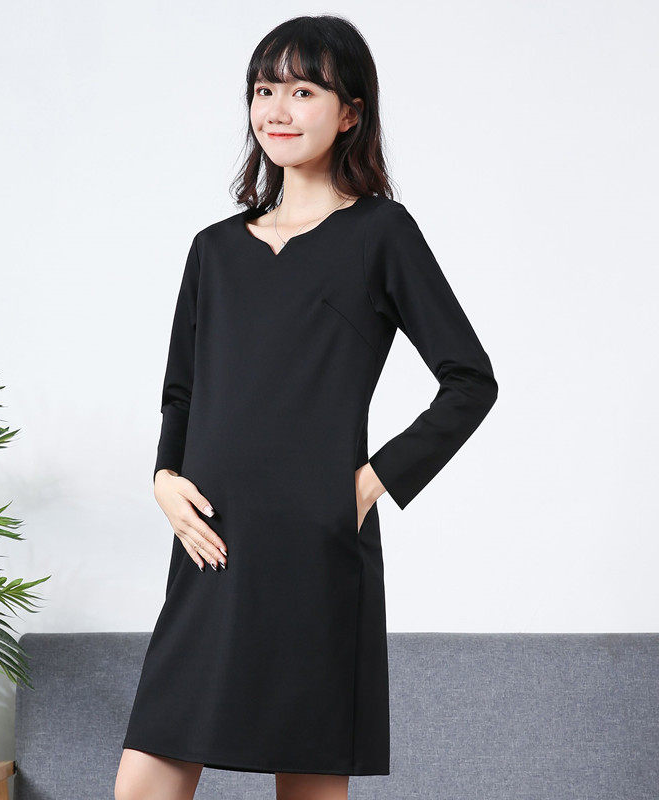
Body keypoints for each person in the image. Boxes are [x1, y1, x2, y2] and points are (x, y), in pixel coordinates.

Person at [115, 14, 498, 800]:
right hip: (210, 545)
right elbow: (182, 389)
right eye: (265, 91)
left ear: (350, 112)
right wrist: (163, 479)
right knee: (146, 776)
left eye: (303, 91)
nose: (277, 110)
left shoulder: (381, 233)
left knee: (309, 780)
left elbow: (470, 378)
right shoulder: (214, 249)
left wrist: (367, 484)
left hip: (316, 550)